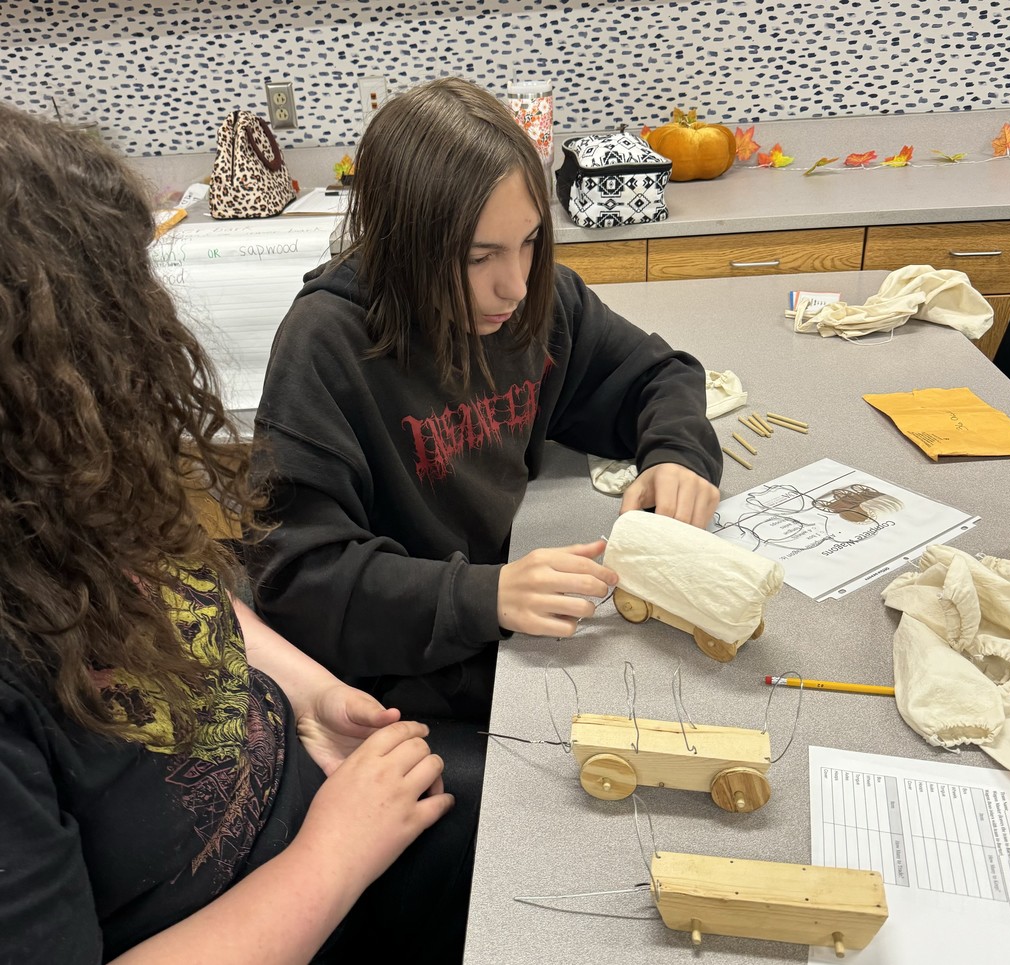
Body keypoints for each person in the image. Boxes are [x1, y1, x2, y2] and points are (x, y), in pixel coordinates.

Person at [0, 102, 473, 963]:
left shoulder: (50, 497)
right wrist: (334, 854)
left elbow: (184, 594)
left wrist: (307, 696)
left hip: (313, 802)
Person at [246, 76, 723, 725]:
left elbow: (658, 376)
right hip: (396, 681)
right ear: (402, 244)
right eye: (478, 256)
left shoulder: (539, 303)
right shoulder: (325, 346)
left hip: (503, 631)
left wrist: (678, 453)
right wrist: (484, 595)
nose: (516, 285)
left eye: (529, 241)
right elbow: (301, 585)